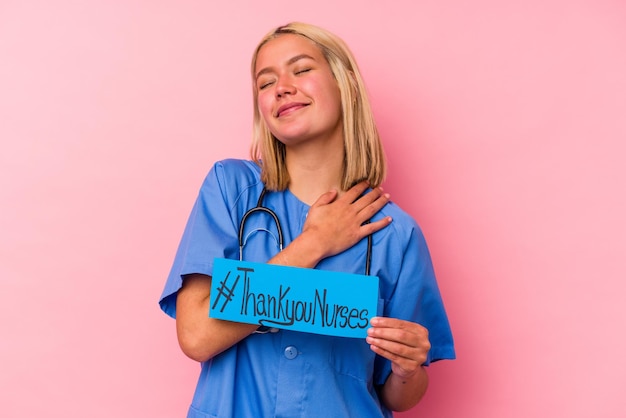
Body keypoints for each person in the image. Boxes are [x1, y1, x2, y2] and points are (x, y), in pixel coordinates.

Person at [159, 22, 455, 418]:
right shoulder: (231, 190)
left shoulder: (396, 234)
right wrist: (315, 242)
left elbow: (398, 396)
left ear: (345, 84)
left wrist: (408, 367)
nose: (281, 87)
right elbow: (196, 334)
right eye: (265, 83)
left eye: (301, 70)